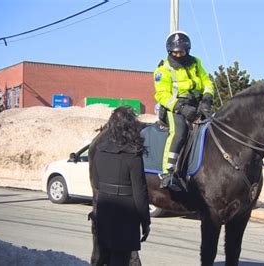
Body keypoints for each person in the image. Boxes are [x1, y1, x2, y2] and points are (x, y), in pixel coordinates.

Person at [153, 30, 214, 191]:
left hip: (197, 104)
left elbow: (207, 81)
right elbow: (162, 94)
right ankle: (168, 173)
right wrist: (181, 108)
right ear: (170, 51)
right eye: (175, 52)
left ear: (188, 50)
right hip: (174, 109)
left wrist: (207, 98)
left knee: (215, 127)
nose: (179, 54)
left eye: (182, 51)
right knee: (179, 132)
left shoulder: (196, 63)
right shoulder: (163, 69)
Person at [91, 106, 151, 266]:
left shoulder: (98, 148)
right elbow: (140, 193)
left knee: (105, 256)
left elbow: (96, 182)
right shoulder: (133, 154)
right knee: (121, 259)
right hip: (126, 214)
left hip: (104, 210)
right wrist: (145, 221)